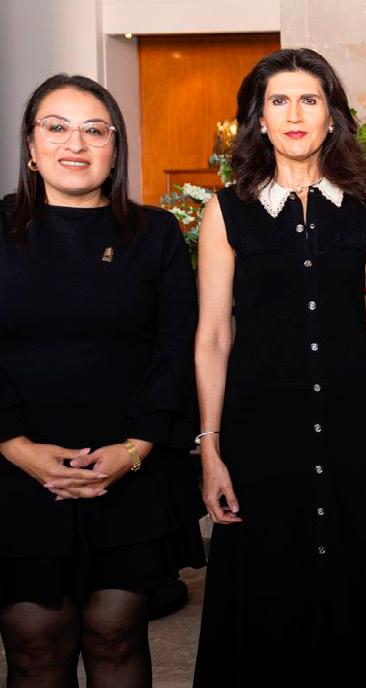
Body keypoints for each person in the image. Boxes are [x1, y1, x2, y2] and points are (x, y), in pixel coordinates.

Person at [192, 48, 366, 686]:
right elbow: (214, 335)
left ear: (332, 116)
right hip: (260, 433)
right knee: (267, 590)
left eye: (310, 99)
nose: (295, 114)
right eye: (279, 101)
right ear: (259, 119)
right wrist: (210, 447)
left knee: (355, 584)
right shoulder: (225, 210)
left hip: (354, 427)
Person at [0, 74, 205, 687]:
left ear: (116, 148)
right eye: (56, 128)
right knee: (35, 645)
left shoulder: (156, 233)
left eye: (95, 130)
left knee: (117, 636)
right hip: (13, 470)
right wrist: (17, 448)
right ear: (30, 145)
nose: (76, 144)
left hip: (129, 469)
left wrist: (135, 451)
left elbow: (176, 349)